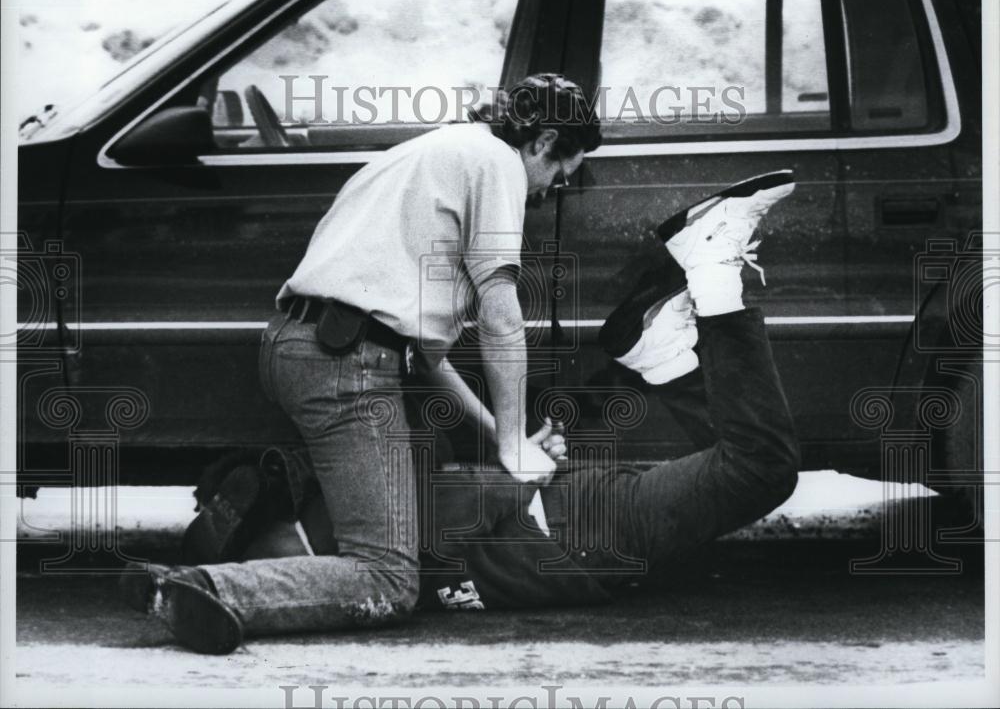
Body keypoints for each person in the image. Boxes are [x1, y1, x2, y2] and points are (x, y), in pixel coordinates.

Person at [122, 171, 800, 650]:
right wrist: (518, 460)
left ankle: (713, 277)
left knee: (759, 471)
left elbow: (452, 496)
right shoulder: (366, 506)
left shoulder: (370, 515)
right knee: (732, 481)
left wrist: (518, 469)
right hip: (567, 537)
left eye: (274, 563)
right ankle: (666, 360)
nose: (283, 574)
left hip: (569, 532)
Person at [119, 74, 601, 654]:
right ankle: (202, 588)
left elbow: (429, 362)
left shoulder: (427, 153)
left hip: (301, 347)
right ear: (543, 140)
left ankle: (275, 498)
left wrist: (507, 436)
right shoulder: (497, 162)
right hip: (348, 367)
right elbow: (502, 316)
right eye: (557, 175)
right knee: (388, 576)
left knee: (433, 452)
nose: (548, 192)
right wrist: (514, 451)